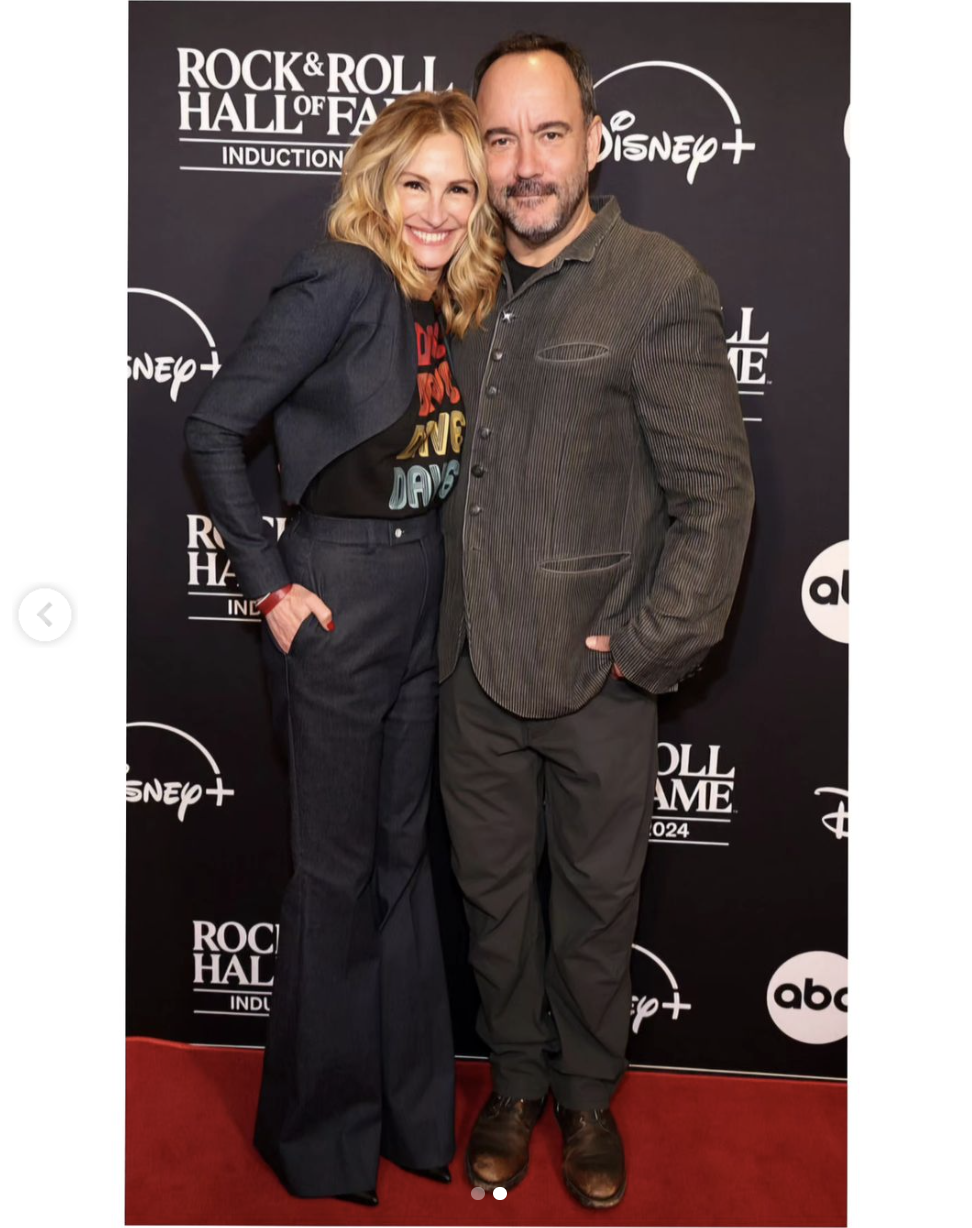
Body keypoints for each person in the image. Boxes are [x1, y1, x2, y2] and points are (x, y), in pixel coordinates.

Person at [437, 35, 755, 1209]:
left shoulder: (657, 281)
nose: (526, 163)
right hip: (465, 668)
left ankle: (584, 1100)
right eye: (504, 137)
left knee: (592, 913)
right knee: (490, 902)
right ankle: (514, 1085)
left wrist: (648, 646)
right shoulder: (456, 277)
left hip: (596, 677)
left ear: (594, 143)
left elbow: (715, 497)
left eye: (550, 133)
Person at [184, 90, 503, 1205]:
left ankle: (411, 1116)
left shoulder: (437, 303)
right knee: (334, 874)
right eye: (416, 182)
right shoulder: (344, 279)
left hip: (421, 596)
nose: (436, 208)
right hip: (338, 597)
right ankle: (321, 1138)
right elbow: (216, 426)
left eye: (458, 187)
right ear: (379, 184)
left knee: (403, 865)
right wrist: (271, 588)